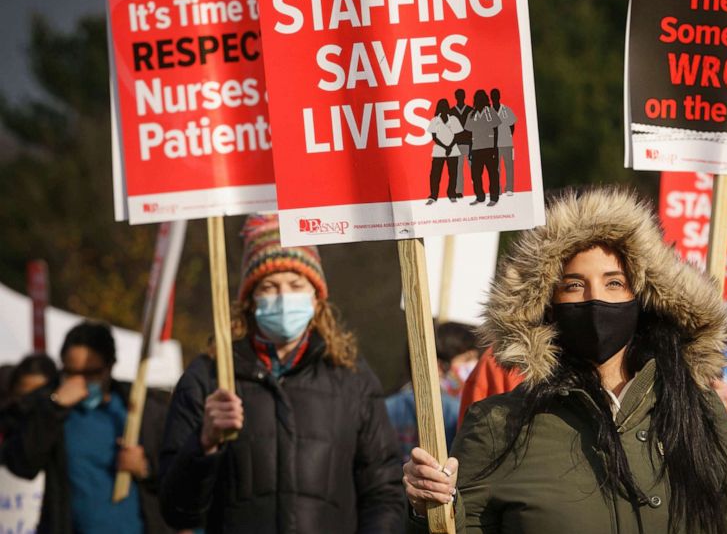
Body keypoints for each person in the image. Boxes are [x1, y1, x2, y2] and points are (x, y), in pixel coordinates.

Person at [404, 187, 727, 533]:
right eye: (573, 285)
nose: (595, 299)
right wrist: (430, 510)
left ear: (644, 298)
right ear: (546, 304)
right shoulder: (498, 423)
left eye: (614, 283)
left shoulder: (699, 410)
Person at [158, 214, 405, 533]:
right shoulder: (209, 376)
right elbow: (177, 512)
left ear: (316, 299)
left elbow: (384, 494)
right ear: (249, 301)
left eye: (295, 285)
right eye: (269, 287)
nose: (284, 297)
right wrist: (204, 444)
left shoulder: (351, 378)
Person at [2, 322, 172, 534]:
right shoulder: (45, 406)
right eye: (70, 372)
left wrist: (145, 469)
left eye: (90, 373)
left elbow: (178, 479)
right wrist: (54, 407)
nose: (79, 382)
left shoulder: (143, 409)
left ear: (110, 367)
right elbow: (22, 463)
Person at [386, 322, 479, 460]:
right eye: (467, 359)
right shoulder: (458, 411)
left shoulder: (385, 406)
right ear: (439, 366)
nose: (475, 365)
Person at [464, 89, 501, 207]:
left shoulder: (490, 111)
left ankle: (494, 198)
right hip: (476, 149)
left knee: (493, 174)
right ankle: (480, 197)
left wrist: (495, 148)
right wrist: (470, 150)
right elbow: (469, 134)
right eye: (477, 98)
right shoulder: (472, 114)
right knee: (475, 175)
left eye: (481, 98)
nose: (479, 100)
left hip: (490, 148)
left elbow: (496, 130)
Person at [426, 99, 464, 205]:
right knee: (435, 174)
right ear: (439, 108)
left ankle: (451, 194)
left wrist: (450, 147)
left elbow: (457, 136)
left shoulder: (453, 119)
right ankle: (433, 195)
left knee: (453, 174)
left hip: (453, 150)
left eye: (445, 106)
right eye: (441, 106)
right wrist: (445, 147)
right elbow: (434, 137)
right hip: (439, 151)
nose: (443, 109)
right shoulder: (434, 120)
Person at [490, 89, 517, 196]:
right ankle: (498, 189)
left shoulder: (506, 110)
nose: (494, 97)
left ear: (499, 96)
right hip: (494, 146)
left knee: (509, 166)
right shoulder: (489, 112)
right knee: (495, 168)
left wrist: (507, 136)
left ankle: (509, 188)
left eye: (496, 95)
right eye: (493, 96)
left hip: (507, 144)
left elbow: (512, 126)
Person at [451, 88, 473, 198]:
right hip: (457, 144)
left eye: (461, 95)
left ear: (464, 96)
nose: (460, 97)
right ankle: (459, 191)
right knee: (458, 169)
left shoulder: (470, 110)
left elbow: (474, 128)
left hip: (469, 144)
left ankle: (477, 189)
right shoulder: (451, 112)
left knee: (473, 168)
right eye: (459, 95)